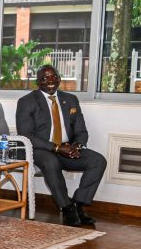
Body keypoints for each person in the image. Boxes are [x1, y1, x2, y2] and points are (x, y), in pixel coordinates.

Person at [15, 65, 106, 227]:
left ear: (59, 79)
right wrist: (56, 148)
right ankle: (66, 207)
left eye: (53, 77)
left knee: (98, 160)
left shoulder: (70, 99)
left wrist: (77, 146)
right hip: (40, 150)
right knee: (51, 162)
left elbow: (81, 130)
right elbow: (26, 135)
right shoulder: (26, 102)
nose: (49, 81)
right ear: (38, 82)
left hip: (66, 148)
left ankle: (78, 204)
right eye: (44, 78)